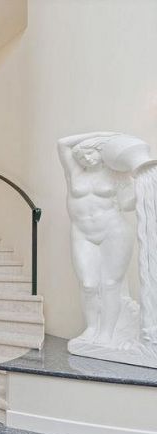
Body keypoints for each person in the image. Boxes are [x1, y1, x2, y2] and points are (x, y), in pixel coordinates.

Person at [58, 132, 135, 345]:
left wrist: (137, 186)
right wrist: (107, 137)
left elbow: (127, 205)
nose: (86, 159)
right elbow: (62, 143)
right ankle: (91, 328)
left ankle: (107, 333)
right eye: (82, 156)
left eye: (91, 153)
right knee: (88, 284)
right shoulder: (74, 173)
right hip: (82, 233)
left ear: (101, 152)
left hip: (113, 230)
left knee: (110, 284)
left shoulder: (117, 174)